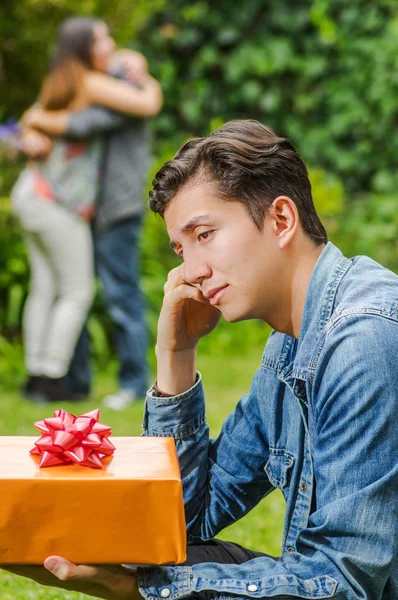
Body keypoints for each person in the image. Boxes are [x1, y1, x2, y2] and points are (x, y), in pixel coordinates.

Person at [4, 120, 397, 598]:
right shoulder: (289, 347)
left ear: (281, 220)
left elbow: (347, 582)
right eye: (180, 247)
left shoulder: (364, 340)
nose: (191, 271)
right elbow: (181, 522)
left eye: (205, 234)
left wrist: (134, 589)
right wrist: (176, 355)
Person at [19, 17, 162, 404]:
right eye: (102, 39)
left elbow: (85, 121)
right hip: (67, 205)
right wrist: (30, 126)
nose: (111, 44)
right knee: (75, 291)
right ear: (84, 48)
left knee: (103, 292)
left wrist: (34, 121)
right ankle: (64, 379)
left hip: (99, 204)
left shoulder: (95, 81)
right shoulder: (90, 82)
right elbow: (135, 104)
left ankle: (124, 383)